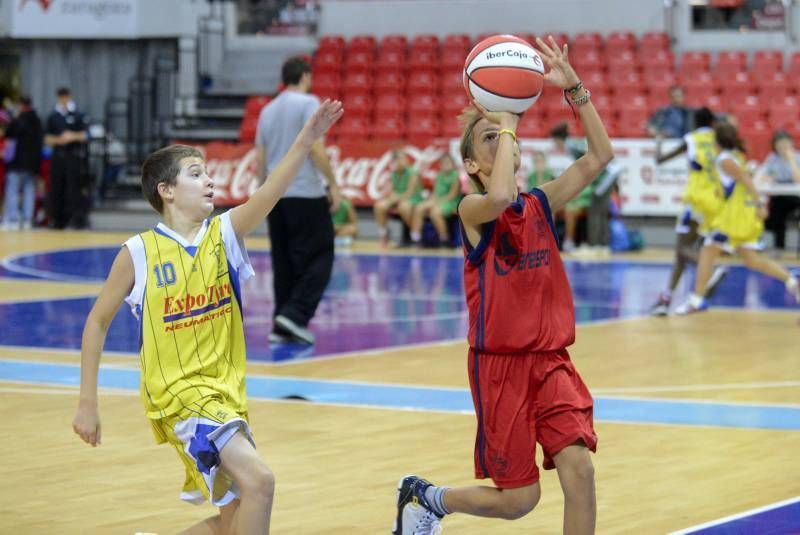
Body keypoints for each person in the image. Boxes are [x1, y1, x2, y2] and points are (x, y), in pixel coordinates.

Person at [71, 100, 343, 534]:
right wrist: (88, 401)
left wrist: (306, 141)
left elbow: (270, 190)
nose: (210, 180)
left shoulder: (225, 235)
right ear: (167, 190)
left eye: (208, 173)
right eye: (196, 174)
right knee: (261, 482)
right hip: (180, 399)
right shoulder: (138, 252)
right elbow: (96, 322)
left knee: (235, 518)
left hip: (226, 395)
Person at [392, 36, 613, 535]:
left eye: (503, 135)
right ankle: (427, 498)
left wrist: (574, 88)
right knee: (520, 501)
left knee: (580, 471)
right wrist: (509, 119)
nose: (502, 140)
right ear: (471, 165)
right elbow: (498, 193)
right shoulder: (472, 211)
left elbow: (600, 156)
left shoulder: (539, 204)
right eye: (488, 140)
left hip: (552, 361)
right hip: (501, 369)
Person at [255, 57, 342, 345]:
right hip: (305, 192)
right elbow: (316, 148)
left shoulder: (267, 110)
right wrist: (333, 183)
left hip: (275, 196)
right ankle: (296, 313)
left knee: (283, 261)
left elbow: (261, 159)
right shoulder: (307, 103)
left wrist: (262, 195)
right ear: (305, 76)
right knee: (321, 256)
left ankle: (280, 324)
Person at [676, 122, 799, 314]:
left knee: (708, 251)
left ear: (716, 141)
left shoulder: (725, 159)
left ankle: (696, 300)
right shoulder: (732, 156)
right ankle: (792, 281)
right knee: (752, 260)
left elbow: (745, 179)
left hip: (733, 216)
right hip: (740, 214)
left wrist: (759, 203)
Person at [650, 107, 728, 315]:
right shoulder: (719, 140)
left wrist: (658, 141)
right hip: (715, 202)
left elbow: (660, 159)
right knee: (683, 253)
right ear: (712, 123)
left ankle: (710, 270)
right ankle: (665, 300)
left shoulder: (691, 138)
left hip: (695, 200)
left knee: (681, 250)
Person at [45, 87, 89, 229]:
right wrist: (59, 140)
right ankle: (57, 220)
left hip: (73, 156)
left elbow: (86, 135)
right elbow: (46, 138)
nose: (63, 100)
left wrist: (72, 136)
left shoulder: (77, 114)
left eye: (65, 97)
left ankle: (75, 219)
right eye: (61, 97)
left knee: (73, 188)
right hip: (58, 157)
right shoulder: (53, 116)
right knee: (56, 188)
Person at [2, 95, 43, 230]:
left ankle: (13, 219)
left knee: (12, 189)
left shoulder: (17, 120)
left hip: (16, 162)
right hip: (32, 164)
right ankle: (27, 220)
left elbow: (8, 135)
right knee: (29, 191)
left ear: (20, 105)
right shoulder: (37, 121)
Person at [756, 130, 800, 256]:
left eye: (786, 144)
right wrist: (768, 177)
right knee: (776, 210)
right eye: (780, 145)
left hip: (795, 196)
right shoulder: (772, 158)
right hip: (779, 196)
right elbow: (762, 176)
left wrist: (791, 159)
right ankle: (779, 248)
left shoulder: (797, 157)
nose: (783, 148)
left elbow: (798, 179)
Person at [409, 153, 462, 246]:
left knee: (435, 212)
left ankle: (444, 239)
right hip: (439, 200)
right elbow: (435, 192)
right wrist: (430, 200)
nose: (446, 165)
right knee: (419, 207)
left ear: (453, 164)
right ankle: (416, 237)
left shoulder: (455, 176)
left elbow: (452, 195)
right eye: (443, 163)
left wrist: (436, 202)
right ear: (440, 165)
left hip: (451, 202)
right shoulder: (439, 175)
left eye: (448, 163)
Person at [373, 149, 423, 246]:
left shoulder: (413, 172)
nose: (401, 161)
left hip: (413, 199)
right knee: (379, 206)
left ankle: (415, 235)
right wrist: (392, 197)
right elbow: (390, 191)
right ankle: (384, 233)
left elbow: (410, 193)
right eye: (398, 159)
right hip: (399, 199)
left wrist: (397, 197)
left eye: (402, 158)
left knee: (403, 207)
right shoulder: (393, 174)